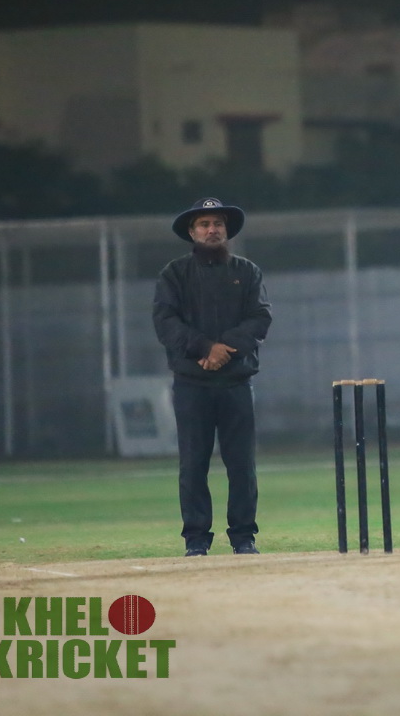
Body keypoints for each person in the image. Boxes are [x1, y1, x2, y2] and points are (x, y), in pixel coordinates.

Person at [153, 198, 273, 556]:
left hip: (236, 382)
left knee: (242, 465)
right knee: (193, 464)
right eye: (204, 224)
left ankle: (243, 537)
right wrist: (205, 347)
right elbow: (166, 323)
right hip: (192, 384)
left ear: (226, 230)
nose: (212, 230)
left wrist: (224, 350)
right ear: (192, 232)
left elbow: (260, 318)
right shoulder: (174, 274)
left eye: (217, 223)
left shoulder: (247, 271)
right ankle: (196, 539)